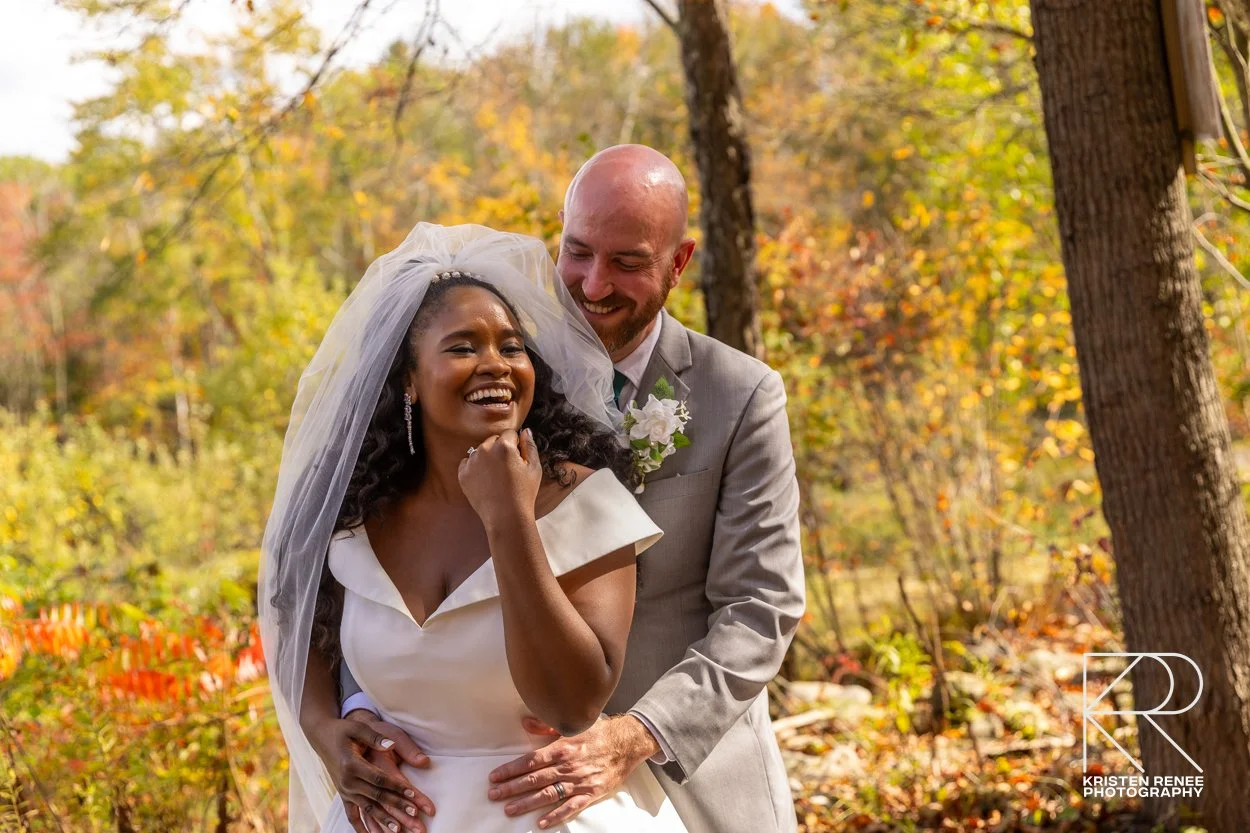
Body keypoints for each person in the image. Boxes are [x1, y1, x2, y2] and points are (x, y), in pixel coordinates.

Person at [329, 145, 806, 833]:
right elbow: (366, 573)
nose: (592, 282)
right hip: (489, 784)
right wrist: (346, 712)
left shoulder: (739, 396)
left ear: (678, 262)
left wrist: (637, 733)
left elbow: (760, 608)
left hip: (688, 765)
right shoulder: (499, 366)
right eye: (577, 251)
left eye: (628, 261)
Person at [259, 223, 691, 833]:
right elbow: (298, 627)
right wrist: (325, 728)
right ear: (407, 377)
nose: (495, 365)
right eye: (462, 347)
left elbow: (571, 705)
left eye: (511, 347)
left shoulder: (583, 502)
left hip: (549, 817)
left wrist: (509, 517)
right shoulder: (354, 515)